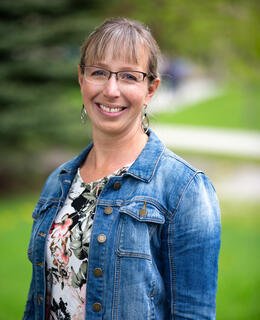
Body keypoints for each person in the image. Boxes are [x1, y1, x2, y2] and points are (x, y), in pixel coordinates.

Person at [23, 18, 221, 320]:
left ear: (151, 88)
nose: (111, 90)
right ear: (81, 78)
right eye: (99, 73)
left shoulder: (184, 188)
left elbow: (194, 314)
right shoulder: (59, 181)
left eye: (129, 76)